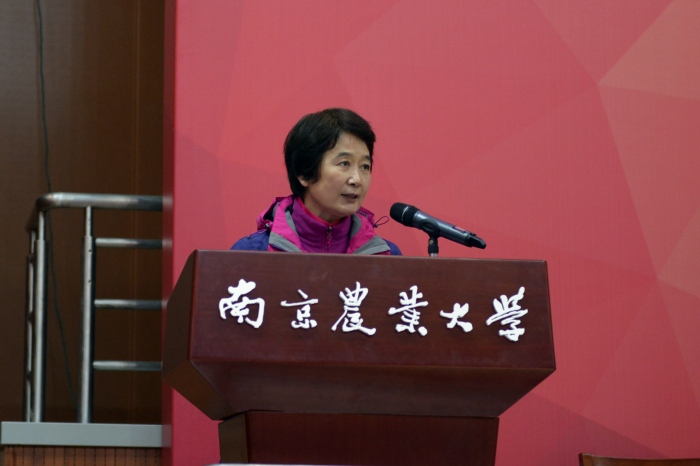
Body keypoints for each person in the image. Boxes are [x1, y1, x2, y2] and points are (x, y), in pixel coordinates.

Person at [231, 108, 401, 255]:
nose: (357, 180)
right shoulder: (251, 253)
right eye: (344, 163)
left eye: (365, 166)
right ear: (304, 173)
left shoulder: (387, 256)